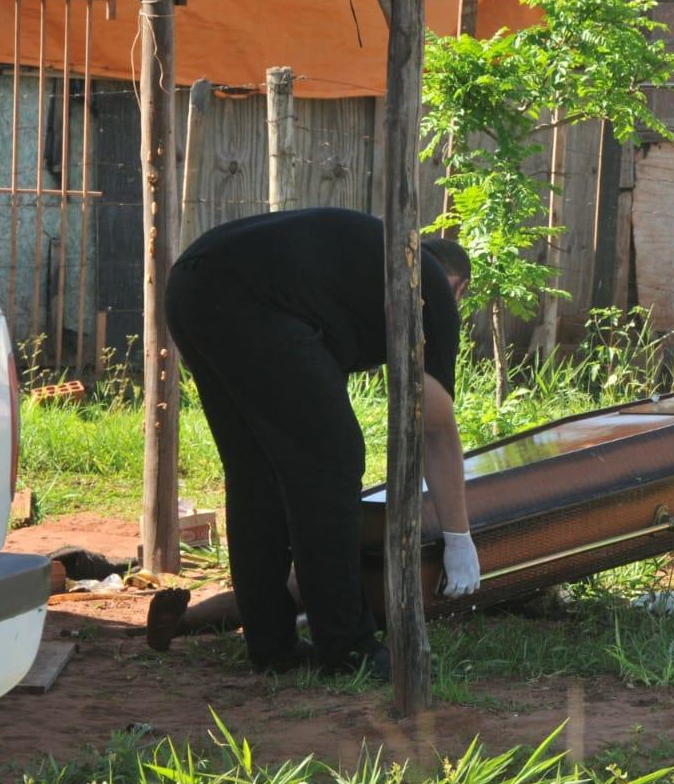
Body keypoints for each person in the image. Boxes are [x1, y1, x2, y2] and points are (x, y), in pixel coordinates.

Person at [166, 208, 481, 678]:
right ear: (460, 289)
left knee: (259, 474)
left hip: (191, 285)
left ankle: (273, 645)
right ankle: (347, 647)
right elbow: (434, 424)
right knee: (333, 458)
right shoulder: (428, 282)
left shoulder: (362, 267)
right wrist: (458, 538)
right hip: (253, 299)